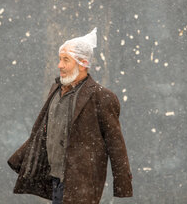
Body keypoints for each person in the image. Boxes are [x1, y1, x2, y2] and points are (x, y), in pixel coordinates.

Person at [8, 27, 133, 204]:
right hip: (55, 178)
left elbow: (115, 143)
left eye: (66, 60)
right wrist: (22, 157)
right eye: (60, 59)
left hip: (82, 183)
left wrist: (122, 183)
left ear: (83, 63)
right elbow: (48, 128)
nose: (60, 65)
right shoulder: (56, 89)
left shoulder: (102, 97)